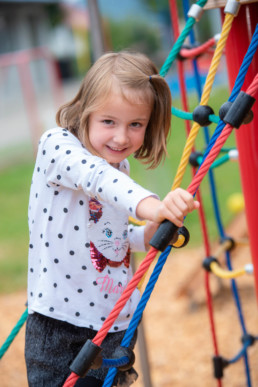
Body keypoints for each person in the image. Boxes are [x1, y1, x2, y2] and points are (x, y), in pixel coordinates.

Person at [25, 51, 199, 387]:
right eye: (109, 122)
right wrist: (154, 206)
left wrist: (144, 233)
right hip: (60, 323)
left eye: (135, 124)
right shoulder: (57, 146)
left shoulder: (120, 166)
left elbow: (108, 239)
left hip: (115, 321)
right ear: (85, 111)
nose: (121, 137)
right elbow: (98, 179)